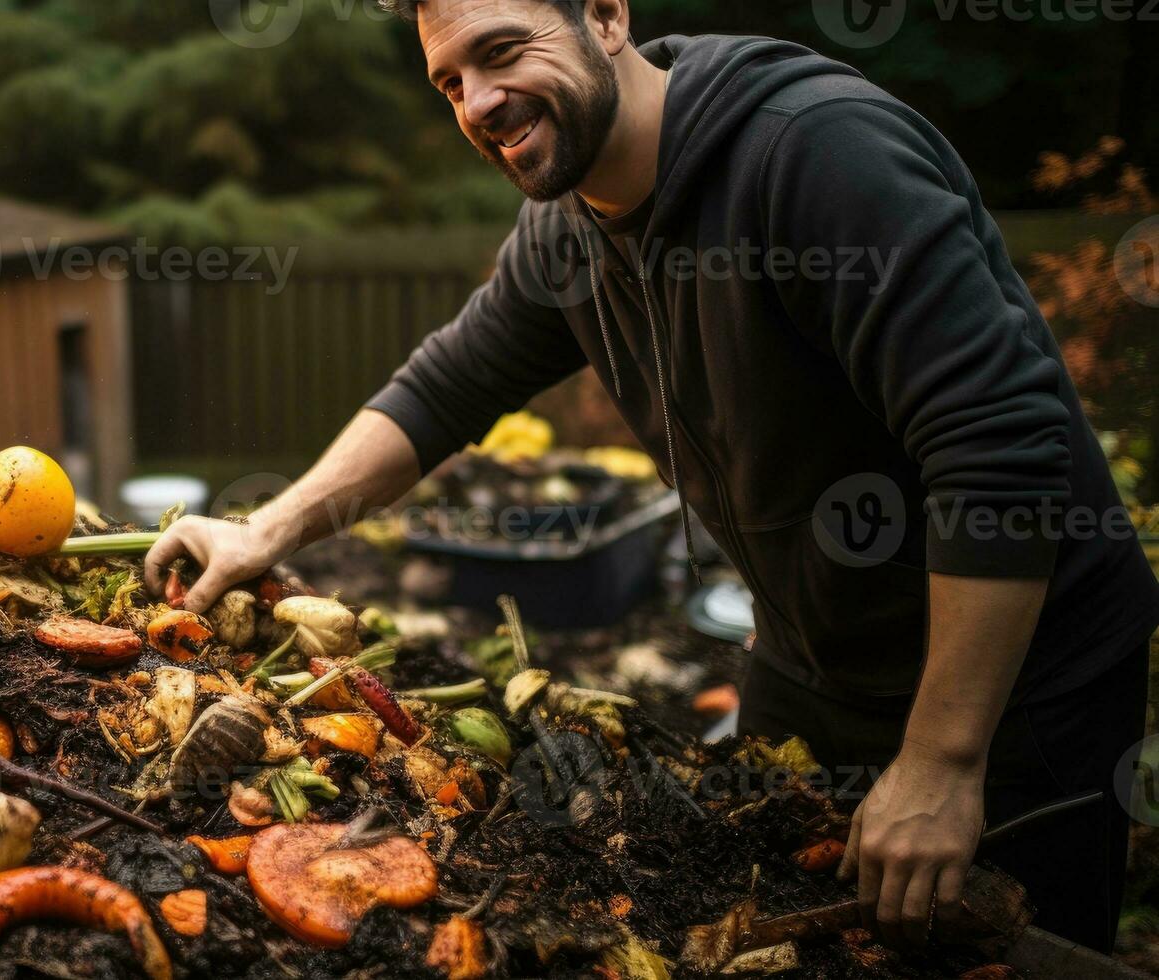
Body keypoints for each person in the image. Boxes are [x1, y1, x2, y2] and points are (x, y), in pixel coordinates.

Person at [143, 0, 1159, 952]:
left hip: (1021, 677)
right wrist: (262, 531)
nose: (478, 102)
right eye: (449, 83)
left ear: (606, 16)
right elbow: (440, 390)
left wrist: (940, 760)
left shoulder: (812, 152)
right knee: (769, 936)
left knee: (994, 950)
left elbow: (1000, 443)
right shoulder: (567, 228)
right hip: (813, 663)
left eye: (501, 51)